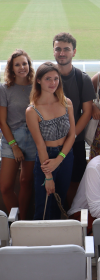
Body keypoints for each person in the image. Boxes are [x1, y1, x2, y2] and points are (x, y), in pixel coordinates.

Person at [26, 62, 76, 220]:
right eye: (48, 79)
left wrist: (60, 159)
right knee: (44, 206)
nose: (53, 83)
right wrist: (48, 176)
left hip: (66, 155)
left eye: (56, 78)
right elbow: (40, 145)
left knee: (60, 201)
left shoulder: (66, 102)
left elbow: (72, 134)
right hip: (45, 158)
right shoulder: (32, 110)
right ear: (39, 80)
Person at [53, 32, 96, 207]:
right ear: (53, 51)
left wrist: (71, 137)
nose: (62, 53)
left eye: (66, 49)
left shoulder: (82, 78)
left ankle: (71, 215)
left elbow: (87, 112)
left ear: (74, 52)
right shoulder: (46, 76)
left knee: (75, 182)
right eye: (58, 49)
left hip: (76, 141)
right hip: (50, 142)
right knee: (50, 181)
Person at [0, 50, 36, 219]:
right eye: (17, 65)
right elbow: (2, 121)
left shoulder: (37, 86)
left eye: (25, 63)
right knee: (6, 187)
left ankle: (22, 223)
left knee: (26, 182)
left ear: (29, 65)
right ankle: (16, 219)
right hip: (11, 139)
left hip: (33, 138)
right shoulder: (5, 89)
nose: (22, 67)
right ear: (11, 68)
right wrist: (14, 146)